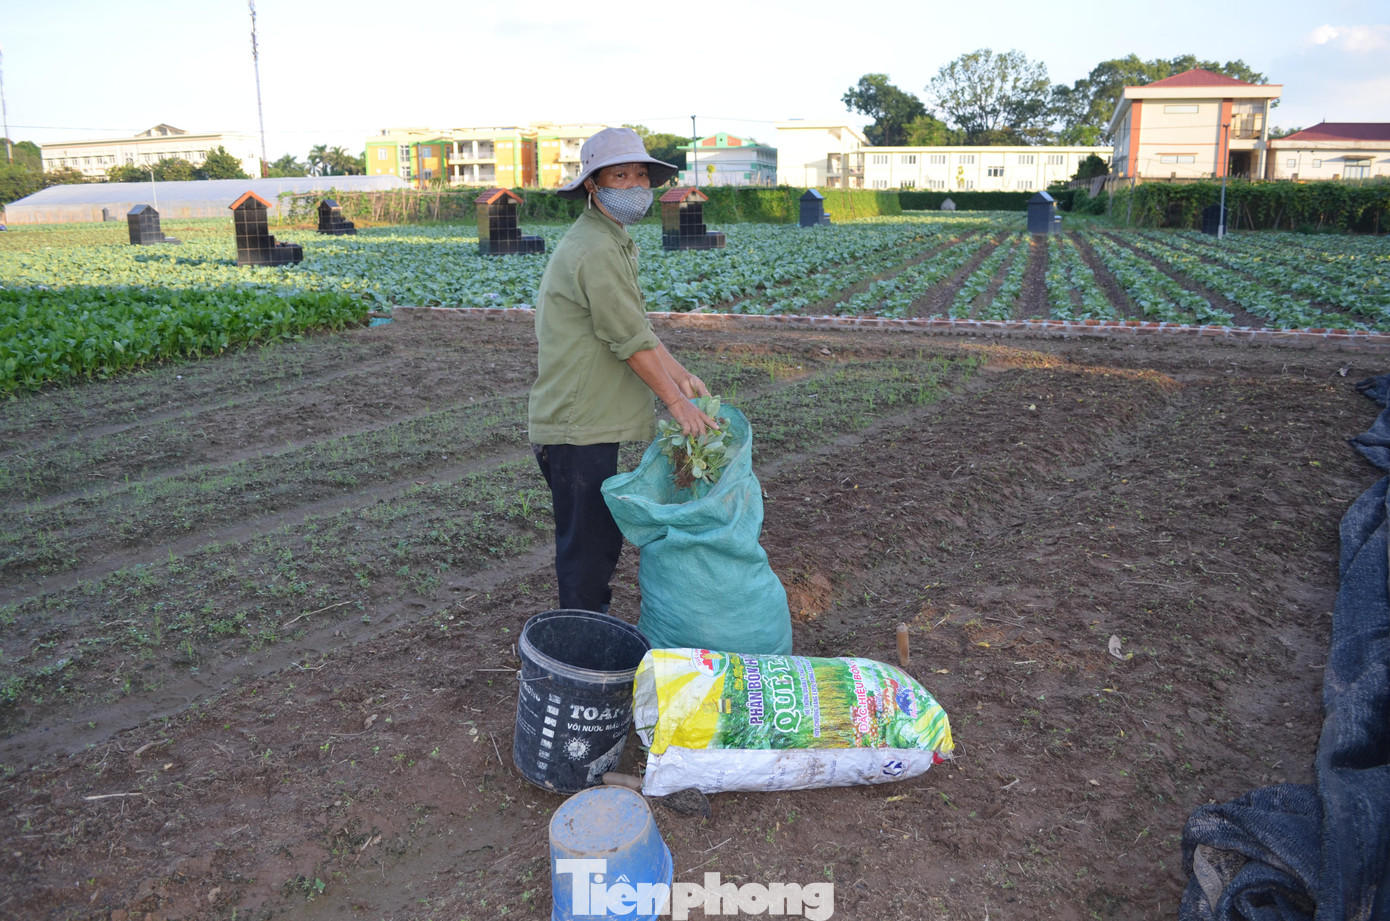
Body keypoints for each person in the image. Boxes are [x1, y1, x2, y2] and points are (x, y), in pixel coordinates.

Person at [528, 126, 716, 614]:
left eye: (640, 174)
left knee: (597, 540)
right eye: (620, 175)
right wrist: (675, 404)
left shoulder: (612, 239)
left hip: (589, 417)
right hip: (577, 422)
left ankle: (585, 631)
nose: (634, 185)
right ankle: (577, 648)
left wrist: (677, 373)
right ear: (594, 184)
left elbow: (636, 326)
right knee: (587, 551)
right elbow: (628, 340)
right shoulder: (595, 248)